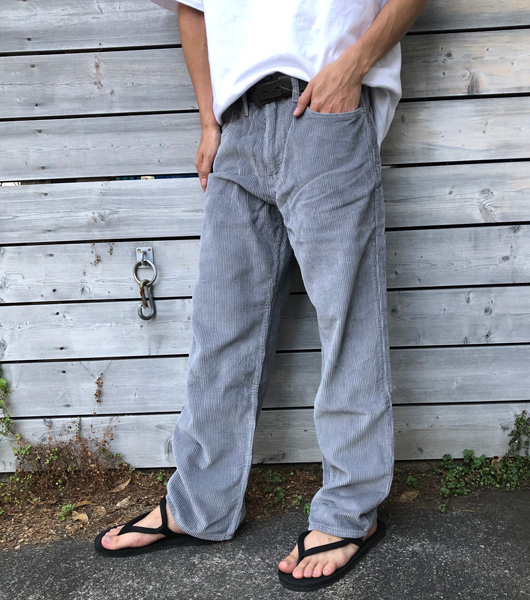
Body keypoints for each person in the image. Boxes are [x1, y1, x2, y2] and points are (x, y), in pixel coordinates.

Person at [94, 0, 428, 592]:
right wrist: (209, 122)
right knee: (221, 329)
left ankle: (349, 512)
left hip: (323, 109)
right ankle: (200, 504)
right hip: (237, 127)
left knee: (347, 323)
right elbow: (193, 11)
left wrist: (352, 68)